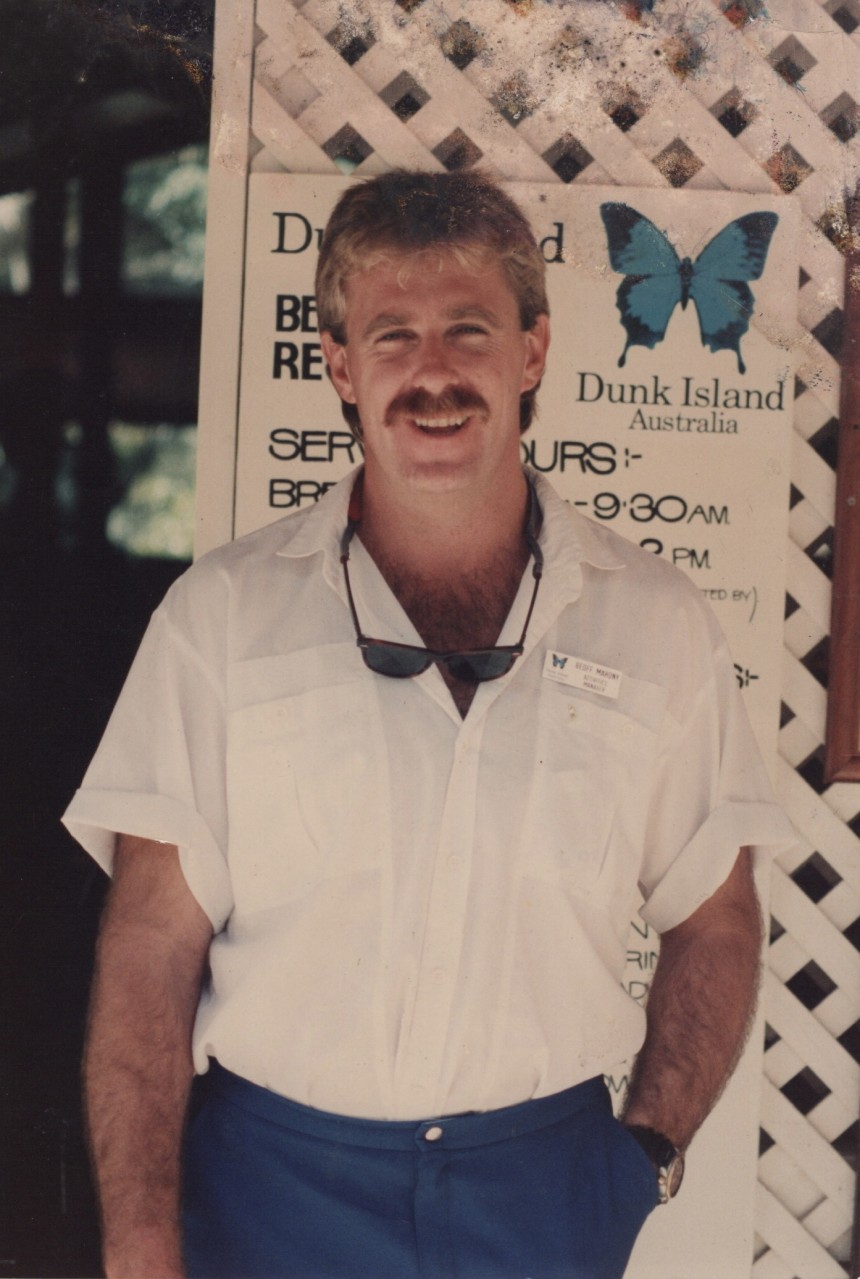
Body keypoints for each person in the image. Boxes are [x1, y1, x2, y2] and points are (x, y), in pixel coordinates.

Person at [64, 169, 794, 1279]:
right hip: (264, 1194)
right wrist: (143, 1242)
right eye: (392, 335)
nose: (433, 371)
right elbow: (151, 949)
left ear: (532, 351)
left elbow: (715, 918)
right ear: (340, 365)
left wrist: (636, 1160)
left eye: (468, 328)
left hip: (542, 1196)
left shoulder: (656, 623)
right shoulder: (220, 617)